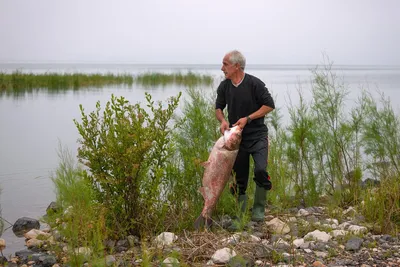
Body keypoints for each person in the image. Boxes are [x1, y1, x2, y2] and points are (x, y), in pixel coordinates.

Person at [215, 50, 275, 224]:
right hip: (236, 139)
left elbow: (269, 105)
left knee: (261, 170)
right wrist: (223, 120)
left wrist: (248, 118)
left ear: (236, 66)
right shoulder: (224, 86)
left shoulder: (255, 84)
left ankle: (258, 210)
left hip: (258, 136)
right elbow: (219, 107)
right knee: (239, 178)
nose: (222, 68)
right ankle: (240, 215)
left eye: (225, 64)